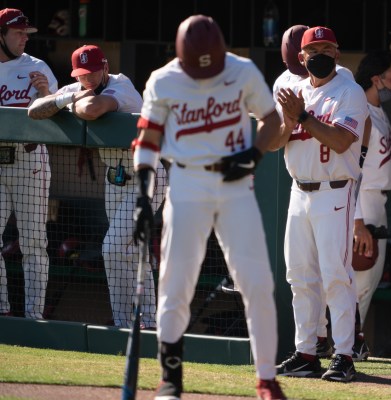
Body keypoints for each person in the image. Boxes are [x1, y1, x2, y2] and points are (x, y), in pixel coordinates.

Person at [131, 15, 285, 400]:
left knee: (257, 282)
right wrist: (142, 194)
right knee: (175, 282)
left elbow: (270, 118)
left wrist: (253, 155)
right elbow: (148, 136)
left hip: (235, 186)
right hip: (186, 182)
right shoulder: (164, 79)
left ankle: (266, 378)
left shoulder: (241, 70)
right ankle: (170, 378)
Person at [28, 44, 167, 329]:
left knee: (112, 248)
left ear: (104, 67)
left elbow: (93, 108)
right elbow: (34, 111)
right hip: (113, 180)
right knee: (127, 252)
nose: (87, 79)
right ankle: (131, 322)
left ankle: (145, 321)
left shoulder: (121, 84)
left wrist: (71, 101)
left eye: (92, 72)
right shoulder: (77, 87)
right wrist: (68, 95)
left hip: (145, 176)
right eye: (82, 74)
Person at [274, 26, 369, 382]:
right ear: (301, 57)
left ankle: (344, 354)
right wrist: (285, 121)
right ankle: (306, 353)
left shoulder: (349, 91)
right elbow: (274, 143)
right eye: (313, 49)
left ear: (337, 52)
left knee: (335, 276)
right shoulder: (294, 91)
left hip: (335, 191)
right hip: (299, 191)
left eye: (327, 47)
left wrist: (301, 117)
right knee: (299, 276)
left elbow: (342, 141)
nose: (319, 54)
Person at [0, 8, 58, 319]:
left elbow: (62, 115)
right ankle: (2, 310)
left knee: (34, 241)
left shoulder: (38, 67)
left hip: (29, 160)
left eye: (26, 33)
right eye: (18, 32)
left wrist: (47, 94)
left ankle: (34, 315)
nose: (24, 38)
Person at [351, 50, 391, 360]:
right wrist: (356, 221)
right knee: (358, 282)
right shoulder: (361, 112)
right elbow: (350, 169)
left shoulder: (378, 112)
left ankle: (349, 346)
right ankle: (344, 348)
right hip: (361, 202)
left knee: (366, 285)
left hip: (377, 203)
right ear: (375, 78)